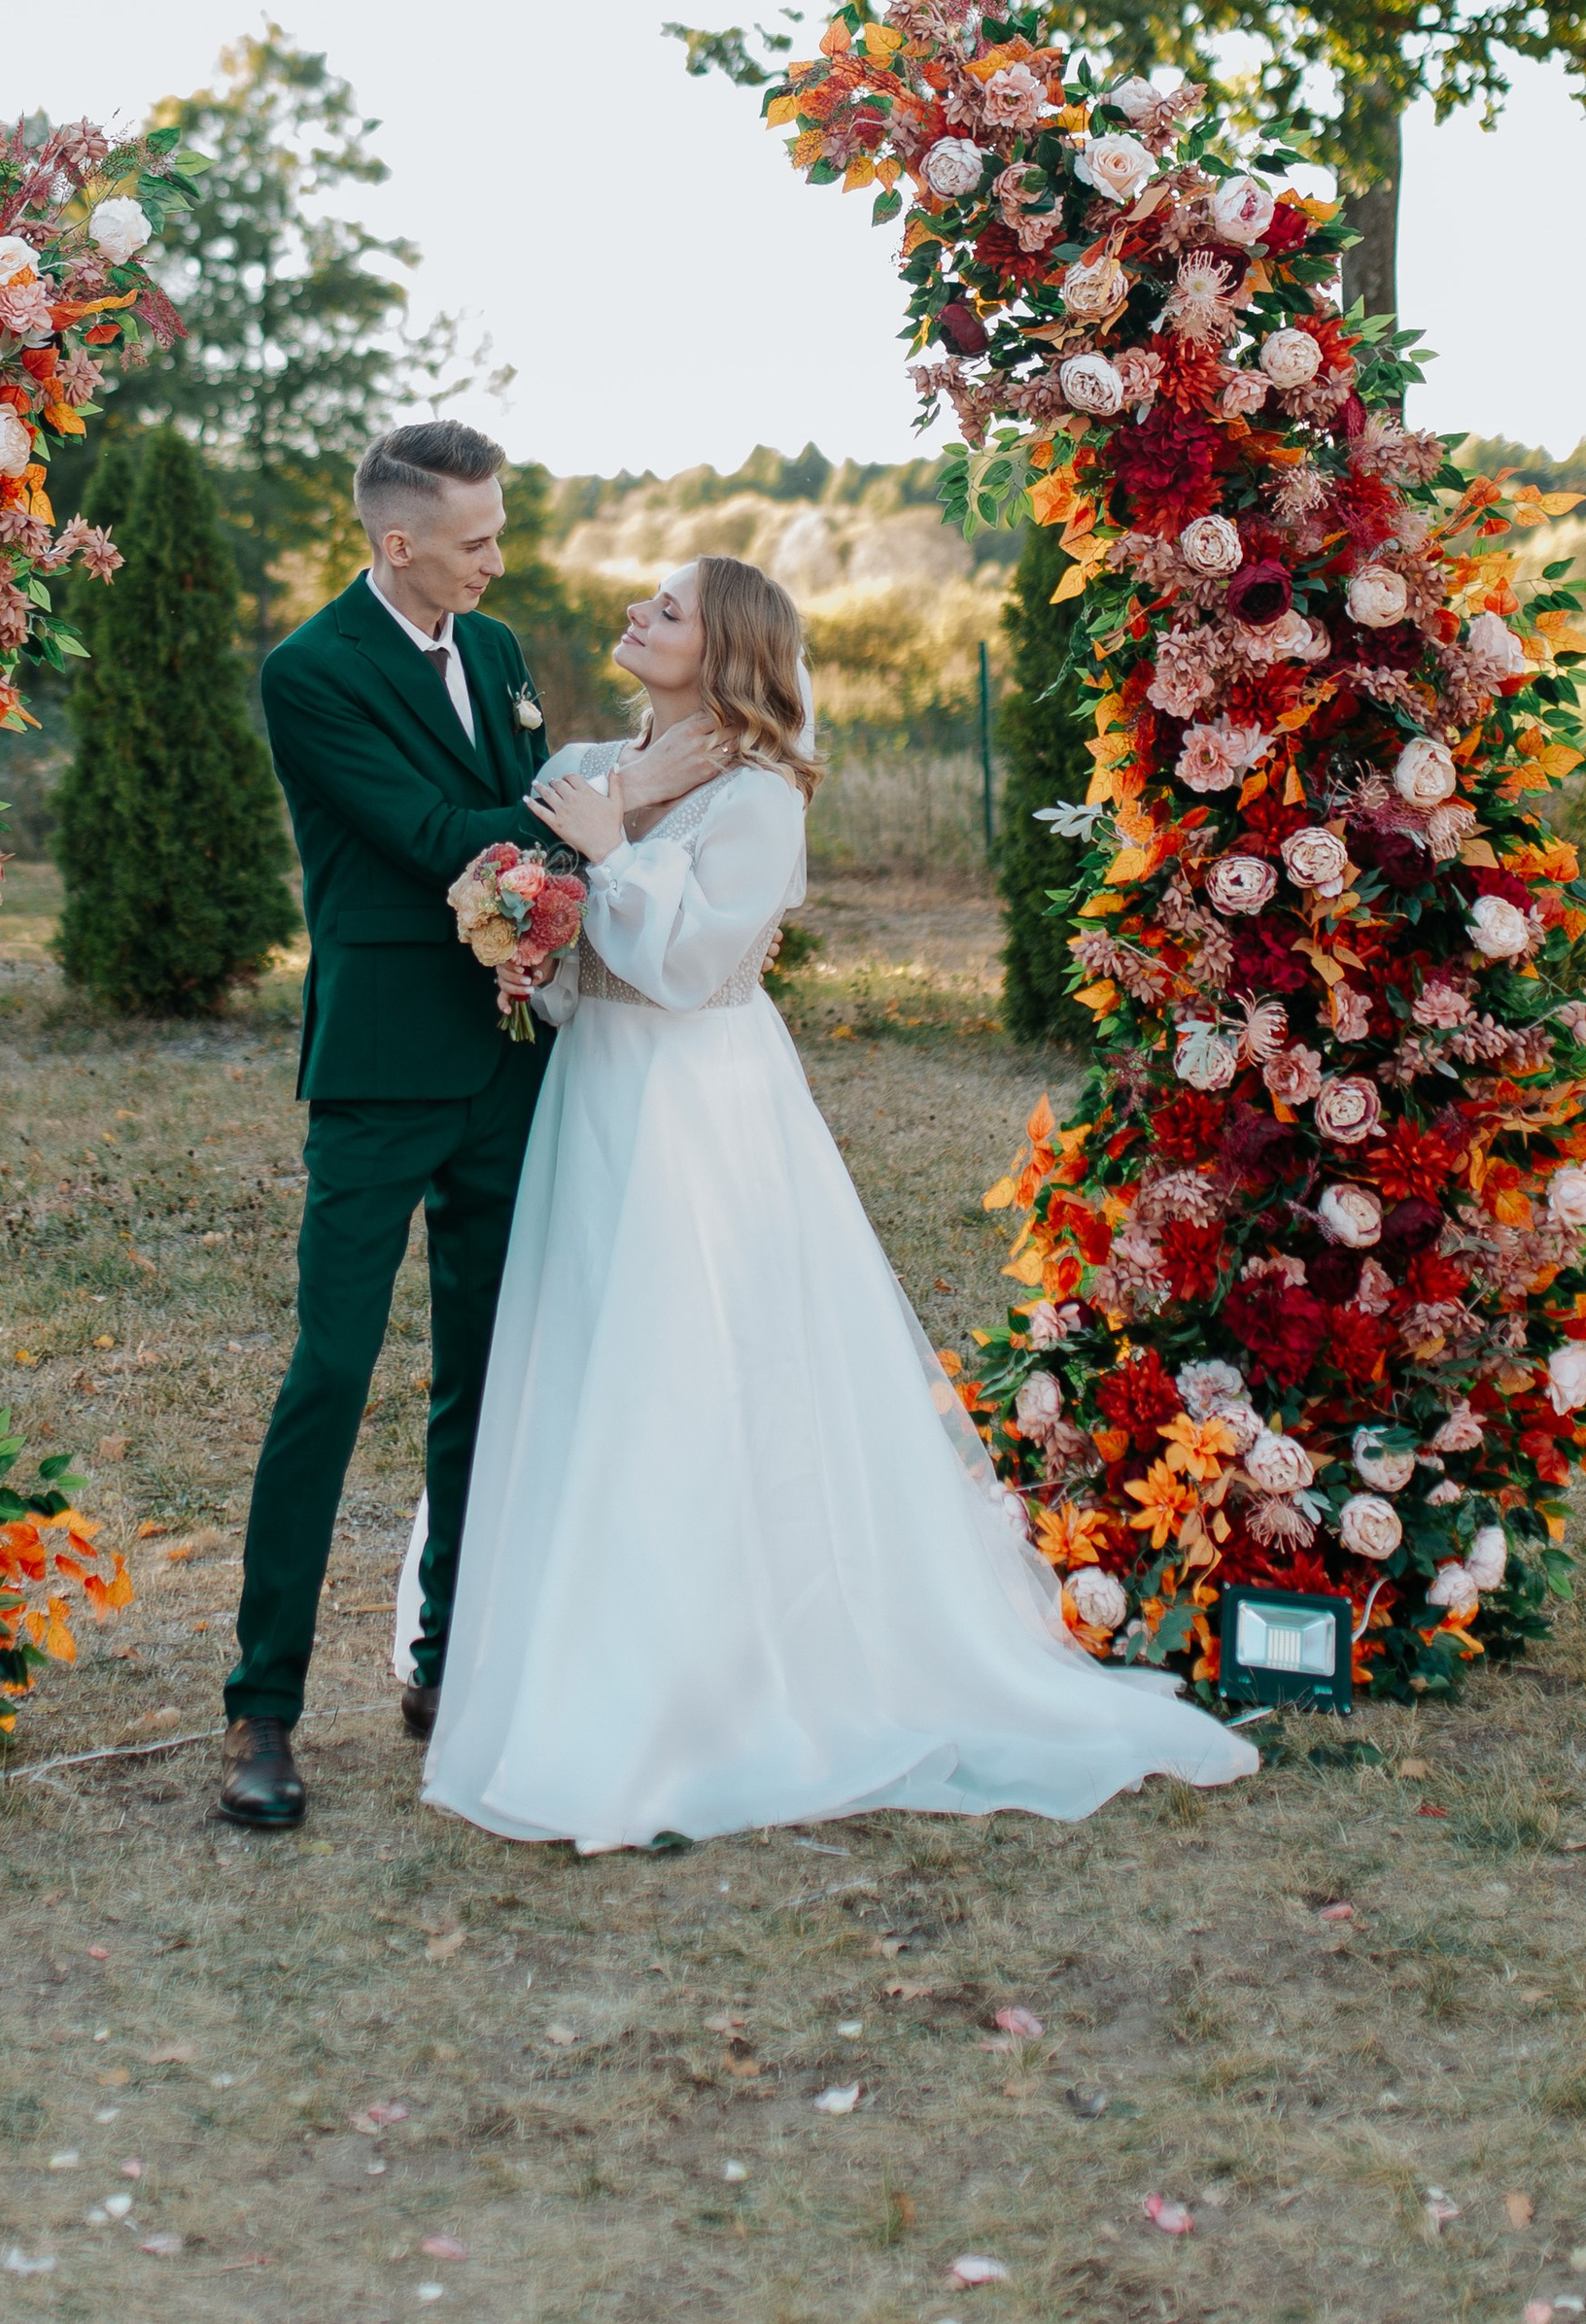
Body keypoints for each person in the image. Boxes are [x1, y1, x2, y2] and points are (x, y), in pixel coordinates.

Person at [407, 554, 1259, 1851]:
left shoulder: (757, 798)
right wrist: (529, 942)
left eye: (669, 610)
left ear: (730, 649)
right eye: (646, 602)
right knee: (592, 1355)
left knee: (700, 1360)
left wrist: (610, 851)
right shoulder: (585, 758)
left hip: (700, 1096)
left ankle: (726, 1681)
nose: (639, 616)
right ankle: (583, 1656)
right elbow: (582, 949)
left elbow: (691, 965)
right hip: (593, 1090)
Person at [217, 421, 723, 1831]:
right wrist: (632, 790)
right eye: (478, 537)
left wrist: (596, 814)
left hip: (509, 1062)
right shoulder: (310, 673)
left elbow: (528, 830)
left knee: (488, 1381)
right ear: (399, 544)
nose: (498, 557)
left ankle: (449, 1668)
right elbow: (449, 835)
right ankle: (263, 1710)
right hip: (379, 1074)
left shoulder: (495, 657)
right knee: (329, 1374)